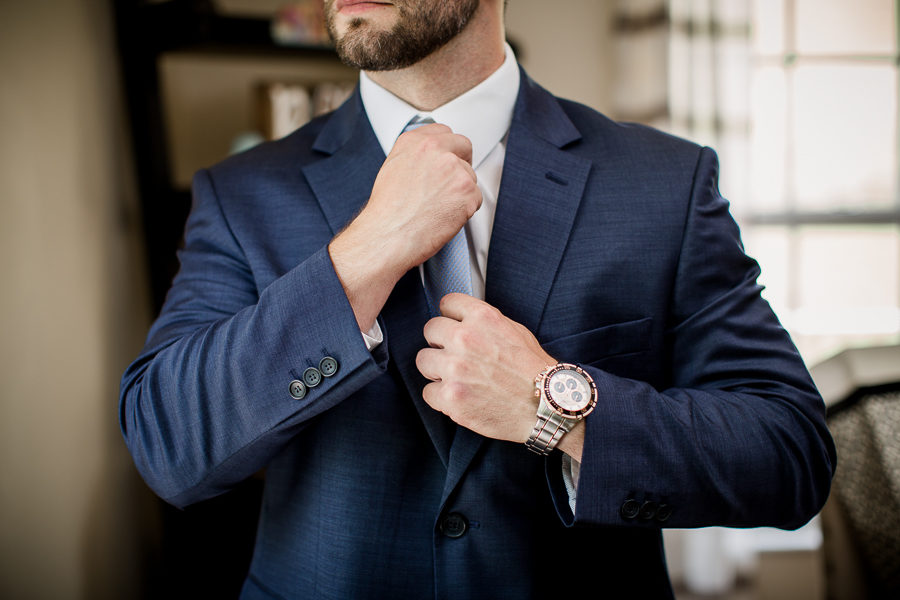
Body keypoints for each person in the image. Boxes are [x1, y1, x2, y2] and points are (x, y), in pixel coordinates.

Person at [119, 1, 836, 598]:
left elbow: (788, 455)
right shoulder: (242, 194)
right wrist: (365, 252)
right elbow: (168, 446)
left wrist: (550, 405)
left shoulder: (665, 184)